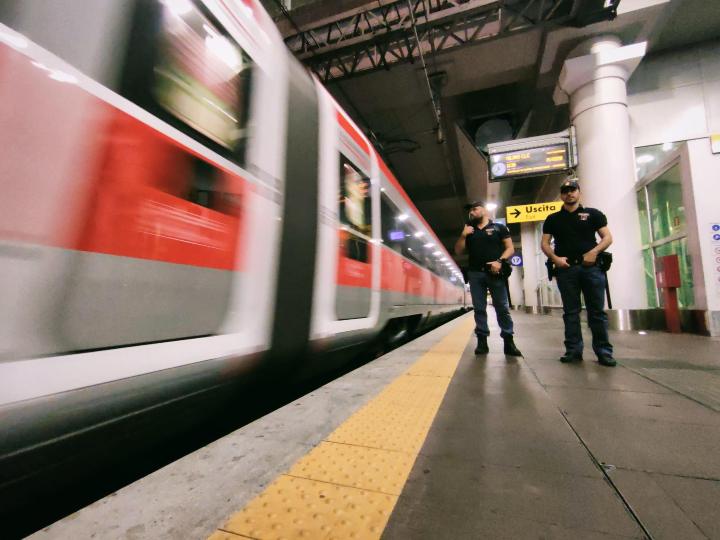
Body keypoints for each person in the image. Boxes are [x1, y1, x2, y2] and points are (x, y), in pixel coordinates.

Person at [541, 179, 616, 366]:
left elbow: (607, 237)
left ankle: (604, 352)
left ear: (579, 192)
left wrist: (594, 252)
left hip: (591, 268)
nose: (569, 194)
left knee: (596, 312)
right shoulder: (553, 219)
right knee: (570, 312)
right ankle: (573, 351)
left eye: (572, 190)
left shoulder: (593, 214)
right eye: (565, 191)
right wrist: (555, 259)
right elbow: (544, 243)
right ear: (561, 195)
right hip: (566, 270)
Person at [455, 201, 522, 356]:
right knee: (479, 309)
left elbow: (510, 248)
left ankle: (508, 342)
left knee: (502, 308)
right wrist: (463, 235)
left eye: (475, 209)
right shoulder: (469, 231)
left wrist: (499, 262)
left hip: (495, 273)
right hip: (475, 273)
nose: (472, 212)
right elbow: (458, 251)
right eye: (470, 210)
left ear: (484, 210)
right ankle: (482, 342)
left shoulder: (499, 228)